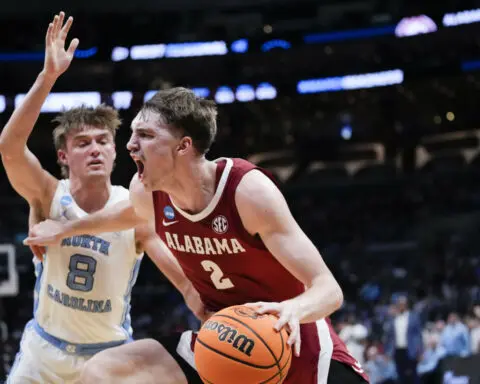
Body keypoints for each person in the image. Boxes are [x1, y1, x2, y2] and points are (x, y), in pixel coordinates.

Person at [25, 88, 370, 383]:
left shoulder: (245, 191)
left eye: (145, 135)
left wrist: (290, 311)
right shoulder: (147, 192)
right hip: (221, 341)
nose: (130, 145)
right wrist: (66, 228)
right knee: (105, 372)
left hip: (291, 343)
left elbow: (328, 289)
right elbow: (129, 213)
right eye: (132, 134)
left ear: (183, 146)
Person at [1, 13, 204, 384]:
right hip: (42, 354)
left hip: (109, 360)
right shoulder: (48, 195)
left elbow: (186, 282)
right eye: (82, 143)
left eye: (103, 141)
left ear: (115, 151)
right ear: (63, 156)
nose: (95, 149)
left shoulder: (136, 209)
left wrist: (209, 309)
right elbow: (10, 149)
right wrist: (48, 77)